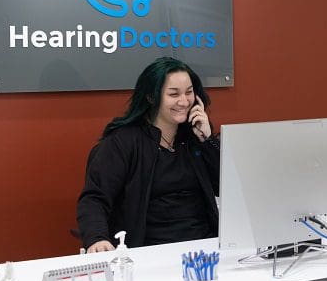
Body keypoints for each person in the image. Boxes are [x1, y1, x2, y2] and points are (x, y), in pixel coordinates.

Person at [77, 57, 220, 253]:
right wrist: (97, 238)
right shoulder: (123, 141)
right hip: (148, 252)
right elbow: (94, 198)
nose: (184, 101)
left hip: (204, 249)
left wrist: (208, 140)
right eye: (173, 94)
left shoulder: (196, 136)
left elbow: (226, 188)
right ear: (151, 97)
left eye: (189, 92)